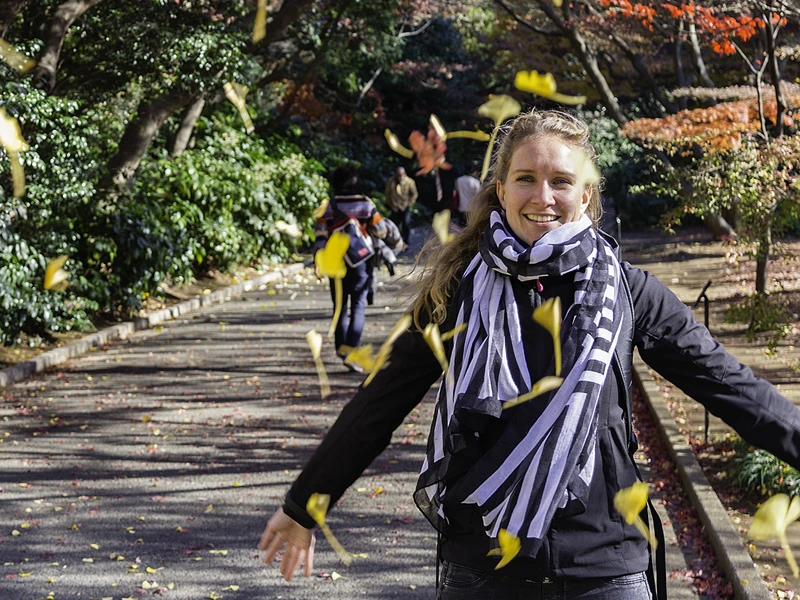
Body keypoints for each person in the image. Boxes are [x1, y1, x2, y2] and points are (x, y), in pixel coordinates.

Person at [259, 111, 800, 598]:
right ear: (500, 189)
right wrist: (305, 503)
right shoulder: (456, 292)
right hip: (482, 564)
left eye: (561, 181)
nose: (543, 197)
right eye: (525, 179)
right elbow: (379, 402)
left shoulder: (628, 292)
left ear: (585, 194)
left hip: (604, 564)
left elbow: (729, 385)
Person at [314, 164, 388, 372]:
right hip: (360, 263)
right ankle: (352, 351)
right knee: (357, 306)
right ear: (355, 182)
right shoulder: (366, 204)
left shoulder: (328, 206)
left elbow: (320, 236)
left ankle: (341, 348)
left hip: (334, 262)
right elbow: (381, 230)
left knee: (339, 308)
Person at [384, 166, 418, 247]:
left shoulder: (410, 182)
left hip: (404, 207)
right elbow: (387, 194)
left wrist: (408, 204)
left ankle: (406, 242)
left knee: (406, 224)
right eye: (397, 175)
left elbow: (414, 194)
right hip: (394, 207)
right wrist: (391, 204)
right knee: (393, 225)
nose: (399, 178)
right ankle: (394, 242)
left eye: (400, 176)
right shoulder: (391, 181)